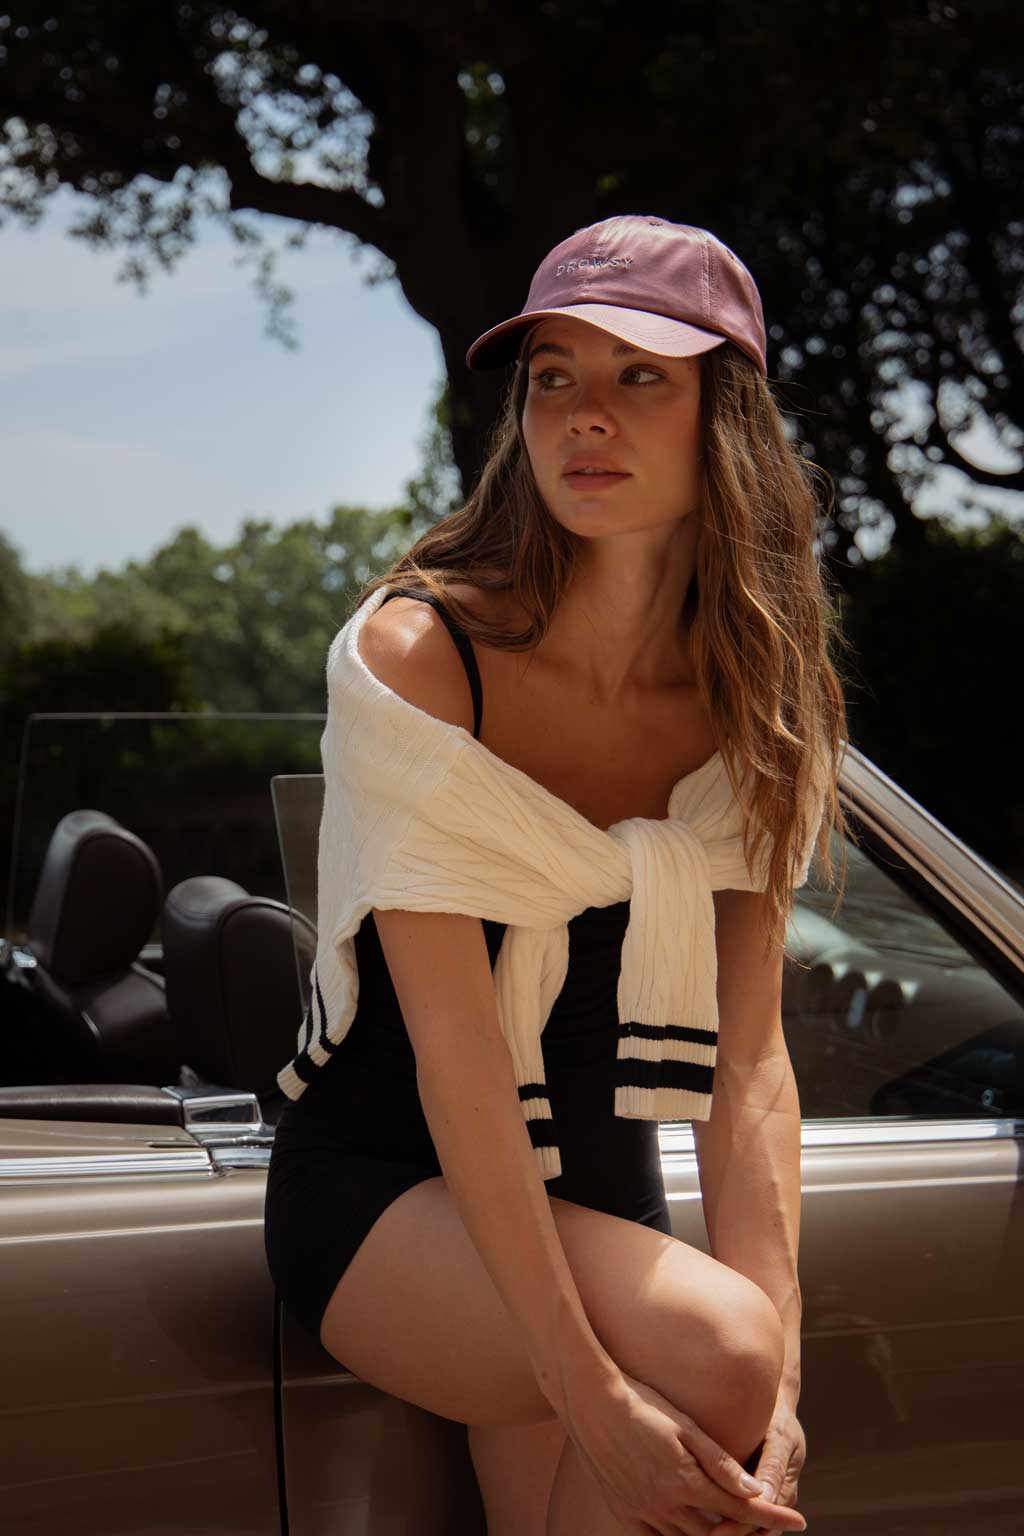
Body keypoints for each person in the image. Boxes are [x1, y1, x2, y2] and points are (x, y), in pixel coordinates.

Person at [264, 214, 850, 1535]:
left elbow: (747, 1068)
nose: (587, 415)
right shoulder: (423, 656)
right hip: (389, 1190)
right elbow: (457, 1047)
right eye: (553, 378)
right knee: (718, 1353)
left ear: (725, 415)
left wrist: (785, 1377)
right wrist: (598, 1389)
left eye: (641, 374)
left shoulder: (758, 685)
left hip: (599, 1191)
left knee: (731, 1370)